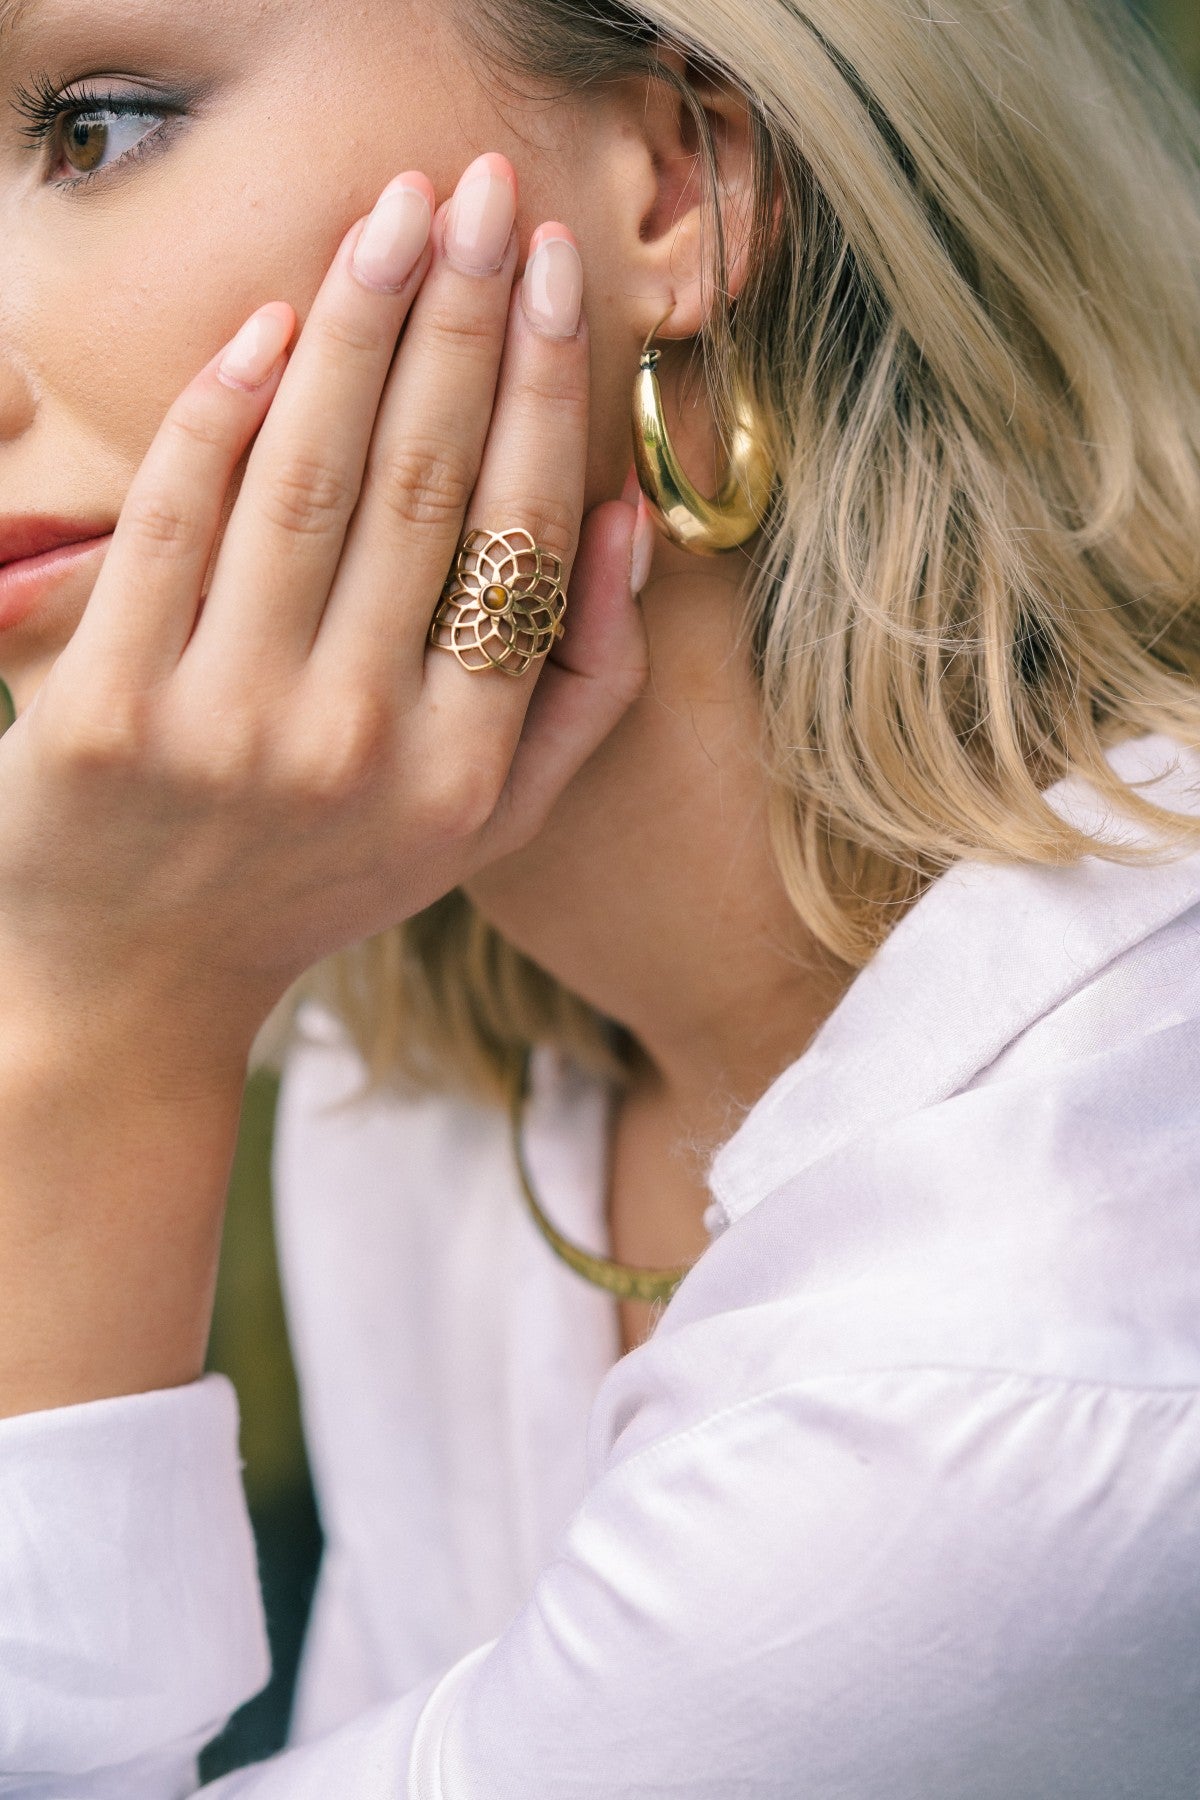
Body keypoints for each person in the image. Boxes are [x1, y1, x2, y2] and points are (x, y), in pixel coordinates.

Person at [1, 0, 1198, 1792]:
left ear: (679, 186)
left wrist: (96, 1028)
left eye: (90, 129)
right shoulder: (398, 1046)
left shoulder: (1010, 1366)